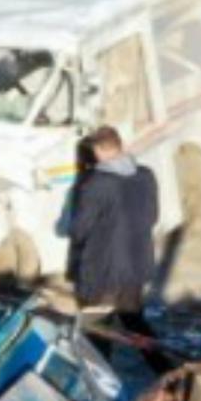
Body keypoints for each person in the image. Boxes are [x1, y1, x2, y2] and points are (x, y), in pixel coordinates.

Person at [60, 126, 162, 323]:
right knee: (134, 325)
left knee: (96, 329)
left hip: (103, 272)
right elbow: (153, 216)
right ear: (120, 145)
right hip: (137, 265)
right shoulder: (146, 175)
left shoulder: (95, 184)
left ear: (98, 150)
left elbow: (79, 230)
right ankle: (156, 355)